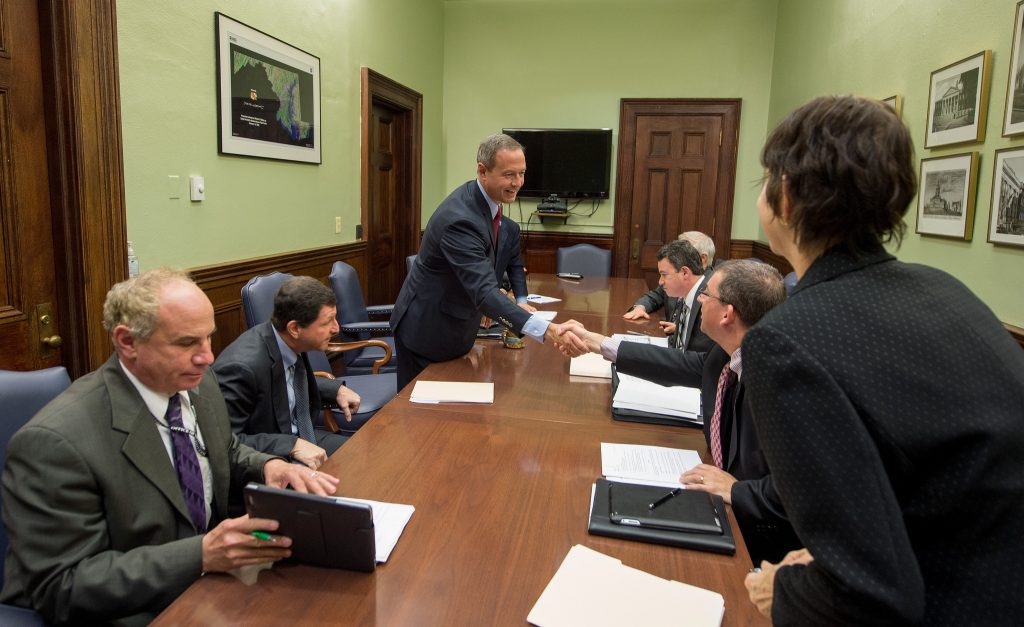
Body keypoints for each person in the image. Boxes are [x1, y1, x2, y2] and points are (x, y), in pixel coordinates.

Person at [741, 96, 1024, 625]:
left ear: (783, 197)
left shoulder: (786, 340)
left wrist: (785, 589)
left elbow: (865, 598)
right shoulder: (946, 291)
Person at [0, 269, 338, 625]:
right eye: (186, 343)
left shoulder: (196, 383)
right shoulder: (54, 443)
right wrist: (200, 555)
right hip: (134, 610)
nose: (208, 357)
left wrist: (270, 465)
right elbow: (63, 586)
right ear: (128, 342)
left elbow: (224, 450)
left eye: (209, 338)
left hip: (212, 585)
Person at [561, 259, 799, 564]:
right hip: (715, 498)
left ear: (728, 314)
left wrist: (739, 491)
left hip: (761, 546)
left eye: (706, 295)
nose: (698, 299)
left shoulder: (780, 382)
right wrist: (599, 343)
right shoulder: (725, 352)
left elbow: (801, 489)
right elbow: (684, 366)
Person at [390, 133, 586, 390]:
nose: (518, 183)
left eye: (522, 173)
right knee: (424, 423)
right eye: (509, 175)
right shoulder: (460, 219)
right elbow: (483, 291)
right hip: (428, 333)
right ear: (483, 171)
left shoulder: (487, 203)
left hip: (456, 326)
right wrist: (547, 330)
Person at [213, 276, 361, 469]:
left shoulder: (290, 341)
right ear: (294, 328)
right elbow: (224, 444)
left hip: (301, 437)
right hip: (269, 458)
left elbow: (287, 384)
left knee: (363, 456)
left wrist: (334, 390)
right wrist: (290, 445)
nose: (336, 328)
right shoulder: (242, 367)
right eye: (327, 322)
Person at [623, 230, 716, 333]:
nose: (674, 256)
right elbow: (655, 296)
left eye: (683, 250)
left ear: (703, 258)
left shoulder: (712, 289)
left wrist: (681, 329)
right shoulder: (674, 278)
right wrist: (640, 307)